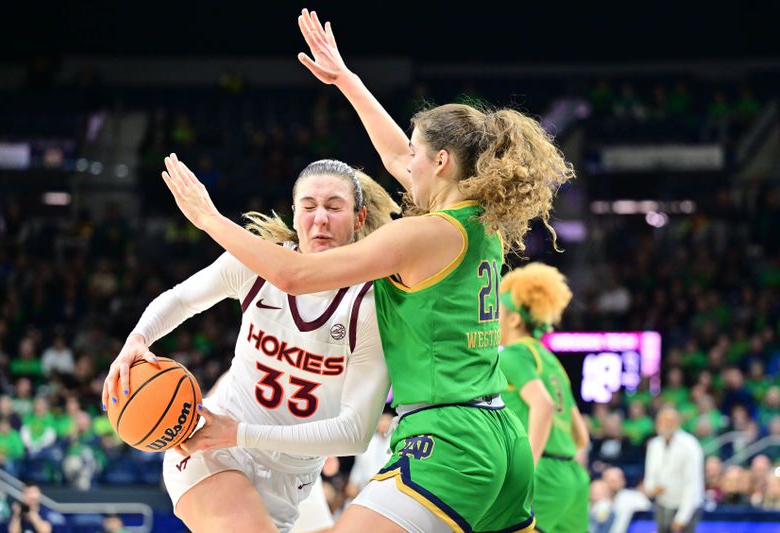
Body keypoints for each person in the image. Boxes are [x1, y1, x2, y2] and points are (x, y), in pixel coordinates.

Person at [159, 8, 574, 531]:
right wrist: (348, 82)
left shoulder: (420, 233)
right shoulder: (480, 219)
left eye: (416, 152)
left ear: (441, 162)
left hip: (448, 439)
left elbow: (295, 276)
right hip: (500, 436)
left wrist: (210, 219)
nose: (406, 161)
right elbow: (396, 154)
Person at [103, 160, 397, 533]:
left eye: (334, 207)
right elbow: (181, 299)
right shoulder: (257, 261)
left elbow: (355, 433)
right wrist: (137, 339)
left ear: (359, 219)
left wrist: (239, 432)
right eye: (308, 206)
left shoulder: (372, 305)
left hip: (290, 476)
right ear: (294, 215)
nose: (319, 218)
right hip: (212, 445)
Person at [497, 263, 590, 533]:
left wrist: (528, 469)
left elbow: (543, 405)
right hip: (573, 476)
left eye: (499, 311)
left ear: (513, 319)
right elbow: (581, 436)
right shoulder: (551, 362)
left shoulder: (511, 355)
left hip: (543, 473)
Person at [644, 407, 704, 533]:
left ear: (677, 422)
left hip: (686, 505)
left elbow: (692, 484)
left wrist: (682, 518)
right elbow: (649, 475)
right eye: (662, 421)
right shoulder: (654, 445)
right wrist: (651, 489)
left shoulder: (690, 445)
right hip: (662, 503)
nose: (666, 425)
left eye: (670, 421)